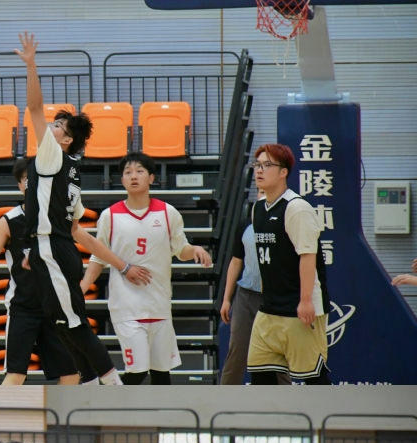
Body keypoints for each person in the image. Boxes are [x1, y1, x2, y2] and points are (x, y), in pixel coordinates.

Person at [15, 32, 152, 385]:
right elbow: (78, 232)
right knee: (63, 326)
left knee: (74, 324)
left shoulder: (51, 155)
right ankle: (91, 384)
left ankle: (114, 386)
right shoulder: (71, 170)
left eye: (57, 126)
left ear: (66, 139)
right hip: (54, 249)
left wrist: (31, 64)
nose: (49, 126)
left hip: (51, 249)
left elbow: (33, 108)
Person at [80, 152, 212, 385]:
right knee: (138, 371)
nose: (134, 176)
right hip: (127, 307)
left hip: (159, 304)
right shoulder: (110, 216)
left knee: (162, 374)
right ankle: (109, 405)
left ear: (151, 178)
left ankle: (157, 413)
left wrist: (195, 249)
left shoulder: (168, 213)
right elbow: (98, 257)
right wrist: (81, 289)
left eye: (139, 171)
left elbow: (181, 250)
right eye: (128, 172)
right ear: (122, 180)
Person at [0, 158, 85, 385]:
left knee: (71, 375)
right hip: (23, 307)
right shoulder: (9, 221)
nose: (33, 183)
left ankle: (60, 411)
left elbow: (83, 246)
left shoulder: (60, 218)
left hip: (56, 306)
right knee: (16, 375)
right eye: (27, 179)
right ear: (20, 185)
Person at [245, 144, 331, 385]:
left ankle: (332, 412)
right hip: (268, 310)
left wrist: (305, 301)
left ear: (283, 172)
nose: (259, 170)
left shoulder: (297, 208)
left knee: (314, 379)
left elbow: (308, 256)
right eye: (257, 165)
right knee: (260, 377)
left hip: (298, 308)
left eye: (267, 165)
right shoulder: (258, 208)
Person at [220, 191, 290, 386]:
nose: (263, 195)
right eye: (260, 192)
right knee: (237, 352)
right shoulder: (245, 225)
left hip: (274, 298)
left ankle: (288, 401)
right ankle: (223, 400)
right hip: (246, 296)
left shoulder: (287, 224)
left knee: (277, 356)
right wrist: (226, 299)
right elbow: (236, 262)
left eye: (268, 192)